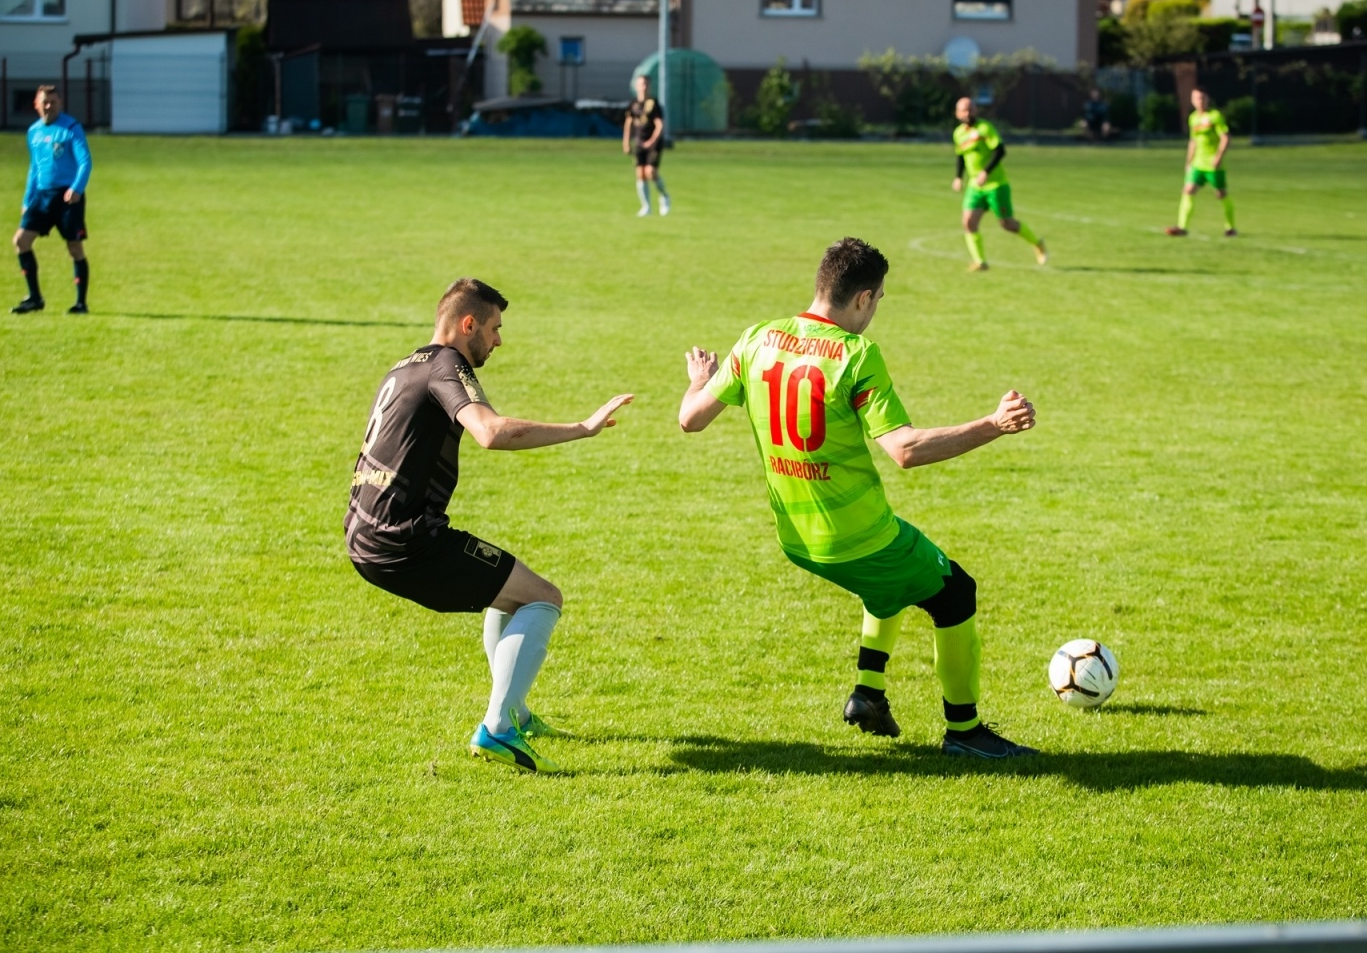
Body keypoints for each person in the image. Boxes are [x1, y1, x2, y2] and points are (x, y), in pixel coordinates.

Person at [679, 238, 1039, 759]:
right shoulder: (856, 355)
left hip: (798, 540)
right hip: (857, 537)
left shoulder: (757, 338)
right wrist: (994, 424)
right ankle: (966, 732)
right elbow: (906, 450)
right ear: (864, 298)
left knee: (890, 578)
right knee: (955, 591)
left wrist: (699, 382)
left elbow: (690, 419)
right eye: (881, 299)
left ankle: (868, 694)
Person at [345, 278, 634, 773]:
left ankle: (515, 712)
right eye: (495, 329)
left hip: (366, 534)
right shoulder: (446, 364)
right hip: (406, 541)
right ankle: (499, 728)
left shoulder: (405, 365)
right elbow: (491, 432)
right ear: (468, 324)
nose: (498, 341)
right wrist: (582, 429)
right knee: (544, 598)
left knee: (511, 592)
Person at [12, 85, 92, 314]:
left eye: (53, 102)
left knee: (74, 247)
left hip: (68, 198)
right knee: (21, 241)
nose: (48, 106)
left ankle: (80, 304)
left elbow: (85, 161)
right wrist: (27, 199)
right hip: (42, 197)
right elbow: (34, 169)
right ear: (36, 105)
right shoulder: (33, 132)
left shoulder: (71, 128)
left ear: (60, 104)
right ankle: (35, 299)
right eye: (44, 102)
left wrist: (76, 188)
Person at [952, 97, 1047, 271]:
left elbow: (1000, 150)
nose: (968, 113)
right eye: (964, 110)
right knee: (968, 222)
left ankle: (1037, 243)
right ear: (957, 114)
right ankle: (980, 262)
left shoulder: (984, 128)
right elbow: (960, 155)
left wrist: (985, 172)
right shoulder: (958, 133)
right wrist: (958, 177)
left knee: (1007, 224)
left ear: (976, 111)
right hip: (975, 186)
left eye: (971, 109)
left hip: (996, 184)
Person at [1165, 87, 1237, 238]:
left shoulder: (1215, 116)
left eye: (1203, 98)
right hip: (1198, 163)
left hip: (1213, 164)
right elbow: (1193, 141)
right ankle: (1182, 227)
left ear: (1208, 99)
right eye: (1197, 98)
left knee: (1221, 194)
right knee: (1188, 190)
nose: (1200, 101)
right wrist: (1188, 162)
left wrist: (1218, 157)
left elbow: (1225, 137)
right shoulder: (1193, 118)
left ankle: (1230, 227)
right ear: (1192, 101)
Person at [624, 74, 670, 217]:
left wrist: (652, 140)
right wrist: (626, 142)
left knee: (651, 172)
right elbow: (628, 123)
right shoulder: (633, 104)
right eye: (640, 84)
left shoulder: (653, 103)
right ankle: (646, 207)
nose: (643, 87)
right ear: (636, 86)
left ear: (648, 86)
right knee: (640, 174)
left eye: (645, 84)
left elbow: (659, 124)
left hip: (653, 143)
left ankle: (664, 196)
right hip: (639, 142)